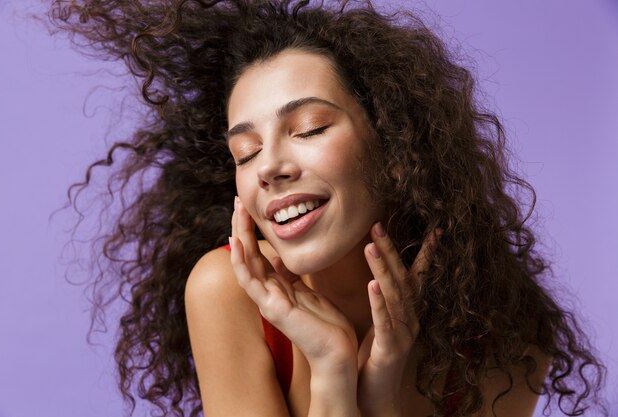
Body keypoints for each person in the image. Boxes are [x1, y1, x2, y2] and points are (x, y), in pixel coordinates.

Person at [49, 0, 606, 416]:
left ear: (395, 149)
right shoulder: (227, 291)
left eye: (309, 128)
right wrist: (333, 371)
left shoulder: (509, 331)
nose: (269, 167)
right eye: (245, 152)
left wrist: (381, 393)